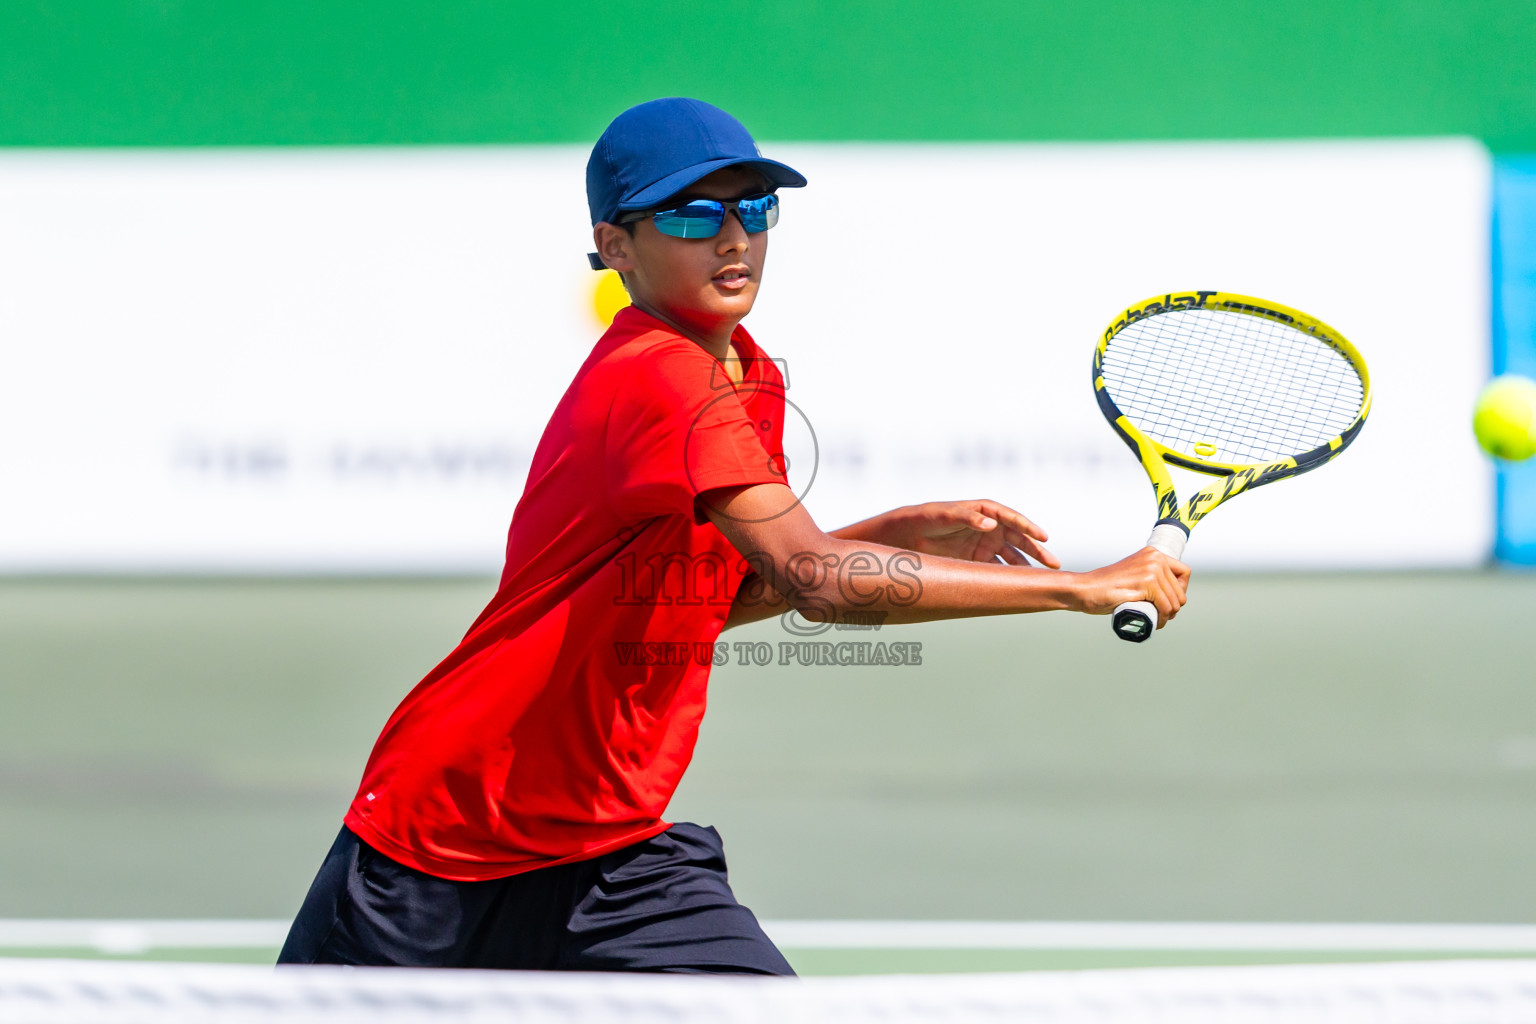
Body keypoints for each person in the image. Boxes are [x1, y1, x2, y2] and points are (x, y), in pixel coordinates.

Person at [277, 97, 1189, 974]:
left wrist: (892, 533)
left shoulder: (749, 376)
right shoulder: (660, 379)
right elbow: (819, 581)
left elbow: (715, 598)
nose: (734, 236)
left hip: (612, 847)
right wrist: (1086, 585)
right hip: (445, 841)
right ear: (614, 246)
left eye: (756, 207)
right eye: (692, 213)